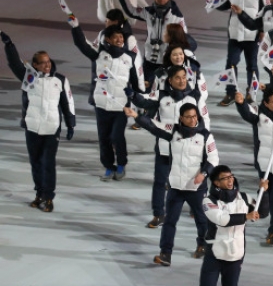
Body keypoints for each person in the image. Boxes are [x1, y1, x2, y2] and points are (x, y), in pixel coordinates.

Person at [126, 103, 218, 266]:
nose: (192, 119)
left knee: (201, 220)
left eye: (194, 116)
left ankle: (202, 245)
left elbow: (213, 160)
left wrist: (203, 174)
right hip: (176, 187)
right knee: (170, 221)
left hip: (196, 188)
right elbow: (153, 126)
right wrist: (136, 116)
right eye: (188, 117)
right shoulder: (173, 130)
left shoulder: (205, 136)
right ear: (181, 118)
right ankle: (165, 253)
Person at [126, 65, 210, 228]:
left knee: (194, 181)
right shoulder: (161, 95)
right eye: (177, 78)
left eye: (184, 77)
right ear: (170, 80)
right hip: (165, 147)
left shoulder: (195, 96)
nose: (181, 81)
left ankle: (196, 208)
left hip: (190, 149)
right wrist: (132, 95)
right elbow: (144, 100)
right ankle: (158, 214)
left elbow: (204, 121)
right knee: (160, 182)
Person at [1, 31, 75, 212]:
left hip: (51, 128)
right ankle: (39, 194)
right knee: (35, 162)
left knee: (47, 163)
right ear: (35, 65)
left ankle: (49, 197)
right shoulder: (28, 78)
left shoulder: (60, 80)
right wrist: (9, 44)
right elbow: (14, 63)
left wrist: (70, 123)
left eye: (48, 61)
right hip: (32, 128)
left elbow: (67, 102)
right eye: (42, 62)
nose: (47, 64)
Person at [70, 20, 143, 181]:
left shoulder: (129, 57)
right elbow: (82, 44)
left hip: (120, 106)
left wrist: (139, 97)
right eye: (116, 37)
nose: (119, 40)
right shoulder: (98, 54)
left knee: (116, 137)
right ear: (107, 39)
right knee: (104, 138)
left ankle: (122, 164)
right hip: (101, 105)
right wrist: (75, 27)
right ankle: (109, 167)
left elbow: (136, 81)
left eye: (121, 38)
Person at [234, 87, 273, 246]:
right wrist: (241, 103)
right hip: (265, 165)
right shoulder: (259, 115)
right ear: (266, 103)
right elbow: (247, 114)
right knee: (269, 197)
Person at [199, 165, 269, 286]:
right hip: (214, 253)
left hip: (236, 254)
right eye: (225, 178)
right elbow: (222, 220)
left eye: (231, 176)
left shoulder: (244, 197)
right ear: (216, 183)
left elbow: (262, 213)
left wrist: (263, 192)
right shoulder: (208, 201)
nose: (230, 180)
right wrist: (246, 216)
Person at [216, 0, 270, 106]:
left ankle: (251, 93)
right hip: (234, 33)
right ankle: (230, 93)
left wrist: (263, 30)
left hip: (252, 34)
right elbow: (223, 6)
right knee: (230, 64)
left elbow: (268, 11)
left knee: (252, 65)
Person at [118, 0, 187, 88]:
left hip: (167, 60)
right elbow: (131, 11)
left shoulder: (176, 16)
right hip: (150, 57)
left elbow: (183, 36)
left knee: (164, 87)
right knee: (144, 86)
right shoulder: (148, 12)